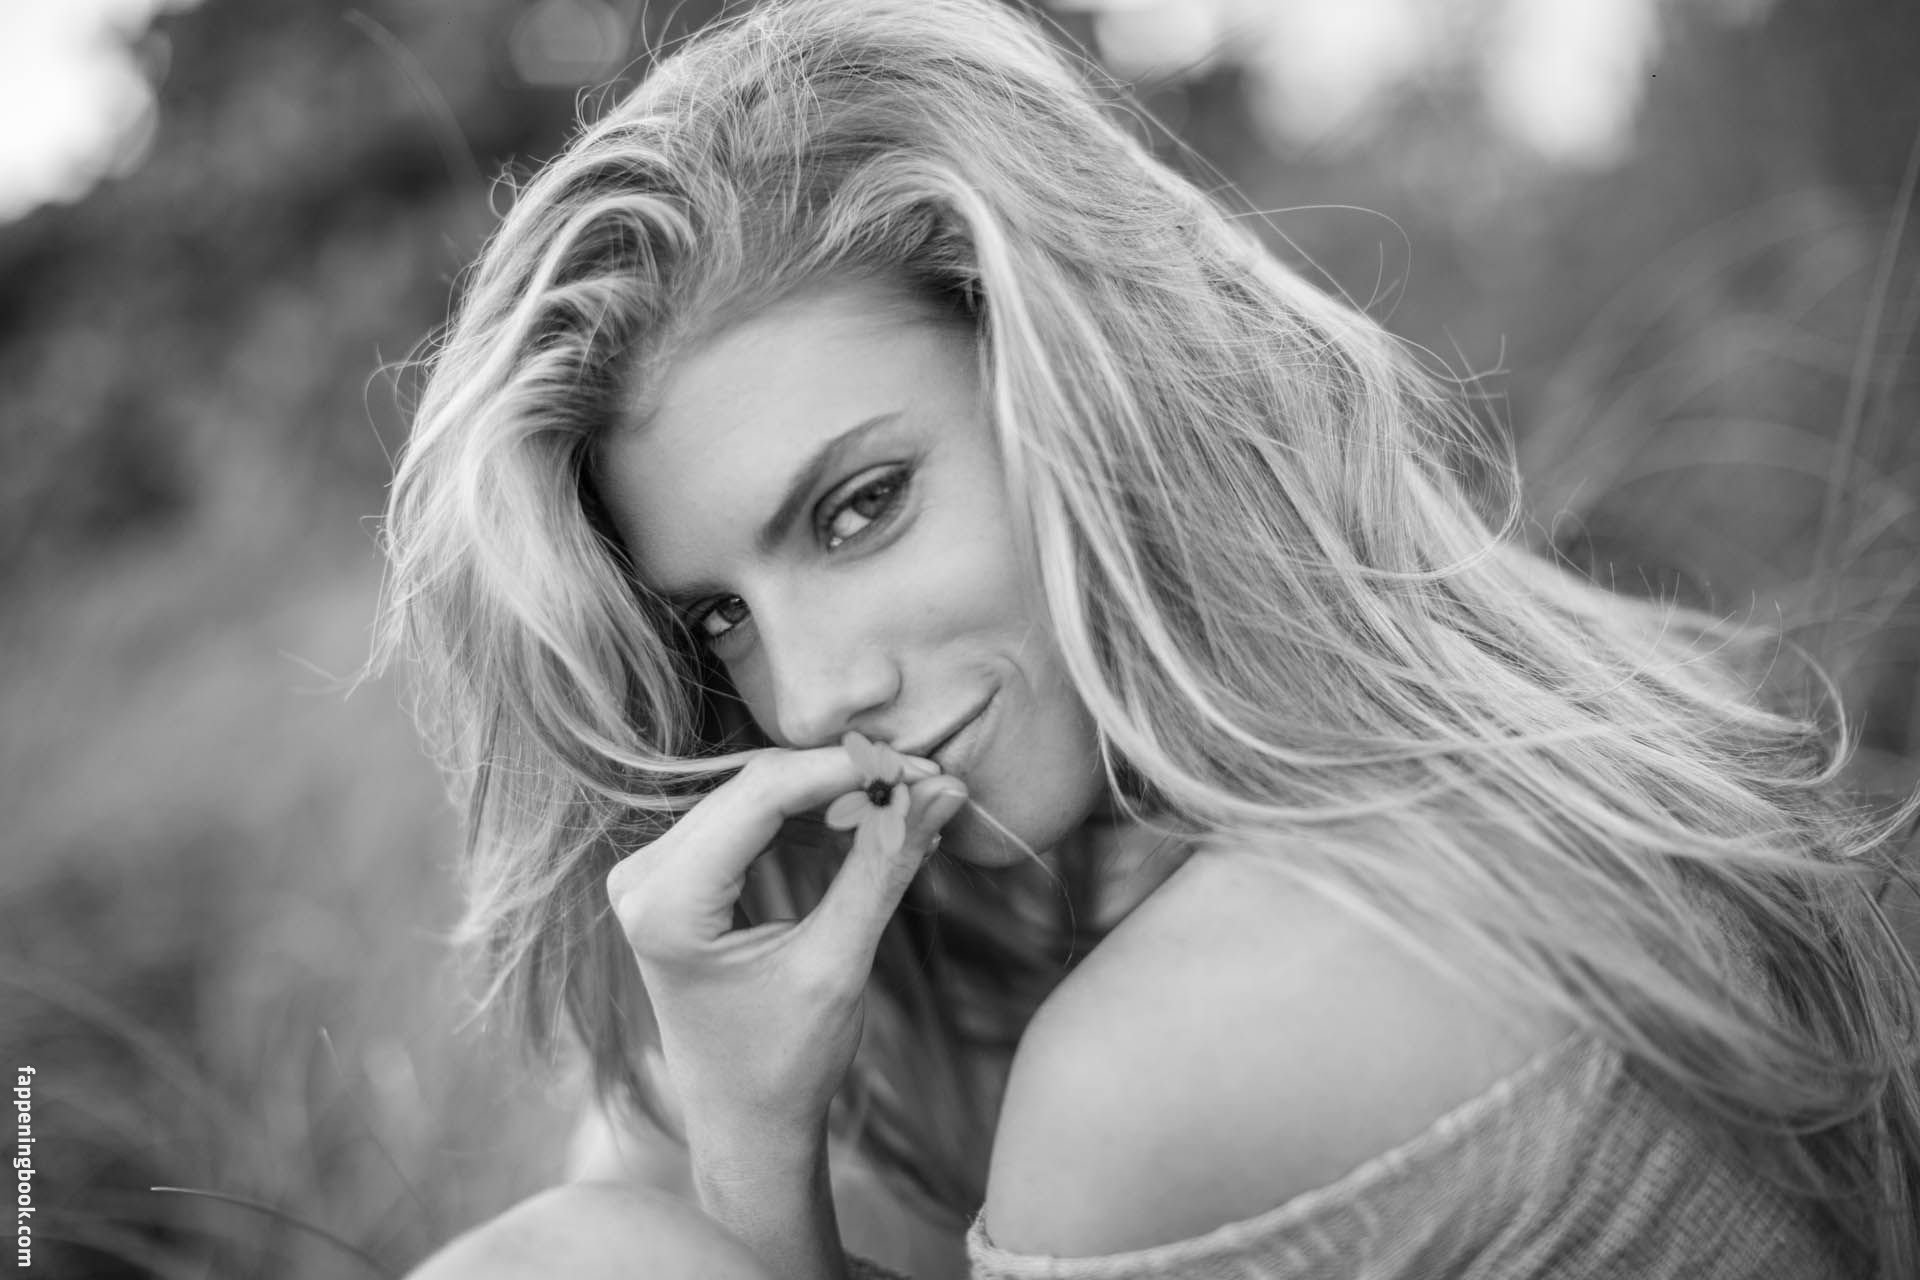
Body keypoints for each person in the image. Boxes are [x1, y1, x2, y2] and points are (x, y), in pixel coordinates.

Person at [375, 0, 1920, 1276]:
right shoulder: (1492, 749)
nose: (813, 696)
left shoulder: (1156, 1068)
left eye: (861, 507)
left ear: (1089, 377)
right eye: (717, 616)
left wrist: (751, 1156)